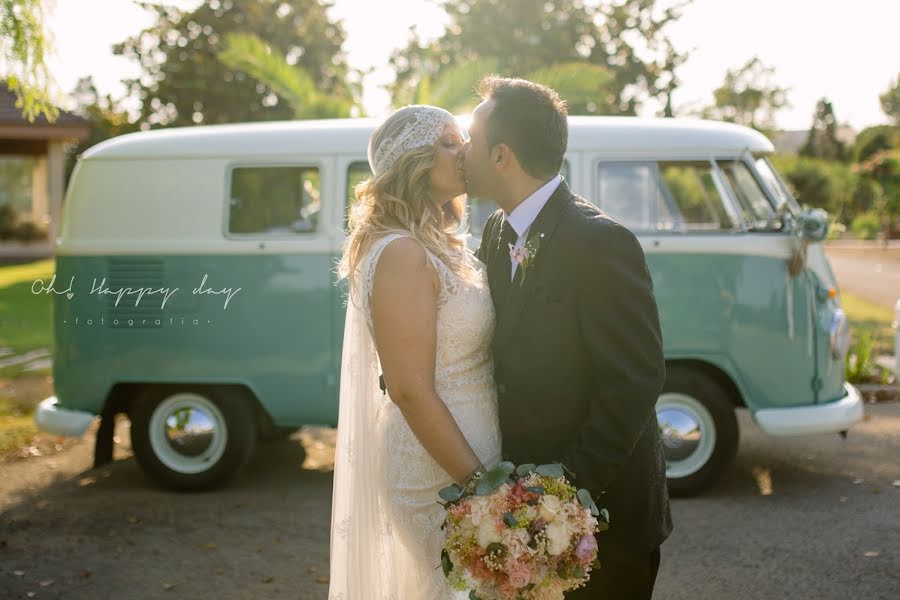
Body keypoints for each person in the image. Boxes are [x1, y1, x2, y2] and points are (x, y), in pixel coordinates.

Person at [464, 76, 674, 599]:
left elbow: (633, 381)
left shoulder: (601, 243)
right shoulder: (495, 231)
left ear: (501, 156)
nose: (462, 152)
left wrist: (561, 496)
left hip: (603, 519)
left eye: (471, 140)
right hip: (522, 511)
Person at [328, 105, 502, 600]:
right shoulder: (403, 252)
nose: (464, 150)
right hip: (436, 469)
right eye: (449, 142)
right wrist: (482, 486)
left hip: (474, 448)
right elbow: (407, 388)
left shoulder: (444, 245)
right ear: (415, 162)